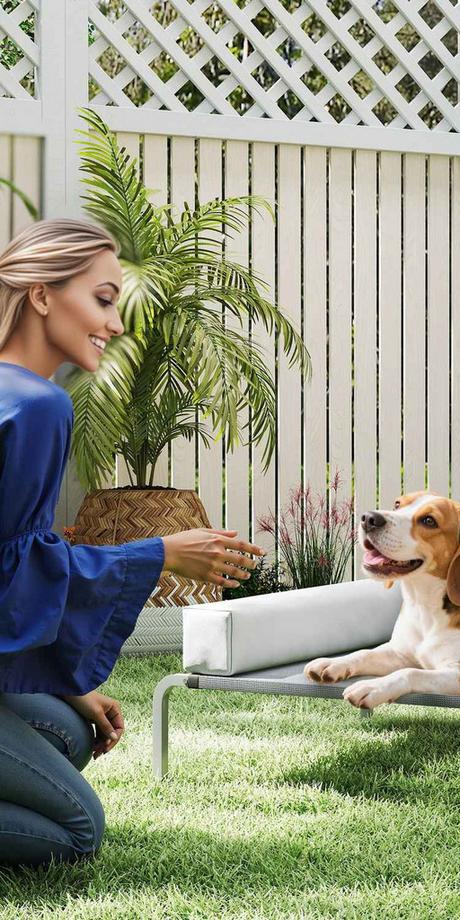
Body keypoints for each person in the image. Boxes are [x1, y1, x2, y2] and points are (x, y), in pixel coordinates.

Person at [0, 218, 264, 866]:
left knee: (69, 730)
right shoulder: (36, 406)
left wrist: (70, 685)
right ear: (40, 295)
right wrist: (164, 552)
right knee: (78, 833)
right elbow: (15, 572)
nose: (116, 324)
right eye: (103, 299)